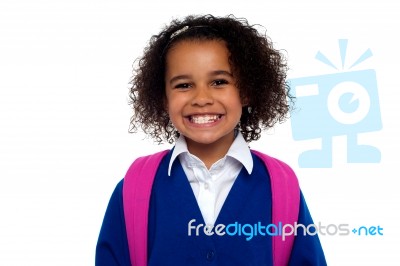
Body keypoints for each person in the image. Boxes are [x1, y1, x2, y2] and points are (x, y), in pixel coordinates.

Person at [96, 14, 327, 265]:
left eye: (219, 82)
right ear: (163, 98)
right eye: (184, 85)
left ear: (247, 91)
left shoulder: (281, 187)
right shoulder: (136, 186)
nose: (202, 98)